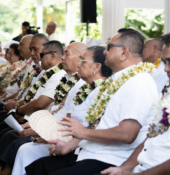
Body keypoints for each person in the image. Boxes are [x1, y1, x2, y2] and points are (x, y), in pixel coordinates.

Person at [25, 28, 158, 175]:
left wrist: (83, 132)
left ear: (124, 52)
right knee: (38, 167)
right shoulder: (115, 81)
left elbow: (127, 134)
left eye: (109, 47)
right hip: (88, 152)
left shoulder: (139, 82)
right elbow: (96, 125)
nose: (105, 52)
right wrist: (69, 145)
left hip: (109, 160)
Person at [0, 40, 69, 175]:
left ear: (51, 55)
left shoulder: (59, 76)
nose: (34, 54)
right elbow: (27, 93)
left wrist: (20, 110)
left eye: (37, 51)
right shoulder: (45, 72)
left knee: (7, 131)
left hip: (37, 119)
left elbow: (41, 103)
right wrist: (17, 107)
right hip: (31, 116)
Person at [100, 28, 170, 175]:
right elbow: (150, 138)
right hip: (141, 168)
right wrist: (124, 168)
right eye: (164, 62)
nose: (166, 69)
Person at [9, 46, 112, 175]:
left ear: (97, 67)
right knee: (28, 153)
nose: (78, 65)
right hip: (70, 143)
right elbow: (67, 121)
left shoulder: (105, 92)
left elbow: (92, 129)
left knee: (29, 153)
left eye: (83, 61)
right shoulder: (83, 88)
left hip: (85, 149)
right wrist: (48, 135)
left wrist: (51, 137)